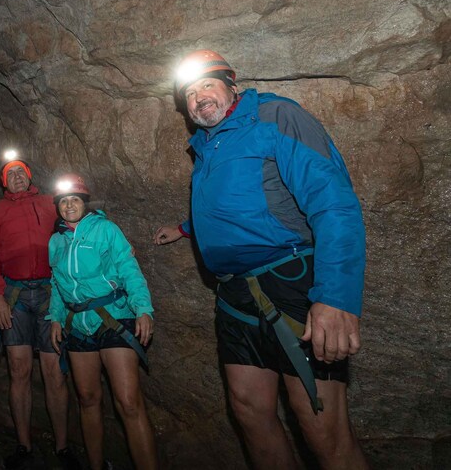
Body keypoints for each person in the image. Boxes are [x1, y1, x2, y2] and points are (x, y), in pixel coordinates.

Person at [154, 50, 368, 469]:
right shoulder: (206, 148)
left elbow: (334, 203)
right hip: (235, 294)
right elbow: (235, 206)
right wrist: (185, 228)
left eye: (207, 85)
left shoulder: (275, 116)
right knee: (250, 413)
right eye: (190, 94)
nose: (199, 98)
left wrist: (338, 298)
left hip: (292, 283)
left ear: (232, 84)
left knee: (322, 430)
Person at [48, 174, 158, 470]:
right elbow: (57, 283)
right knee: (87, 398)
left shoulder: (106, 230)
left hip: (113, 318)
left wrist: (143, 308)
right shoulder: (56, 241)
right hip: (78, 325)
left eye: (74, 200)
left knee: (128, 402)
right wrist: (55, 318)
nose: (69, 205)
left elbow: (129, 269)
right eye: (63, 201)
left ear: (85, 203)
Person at [0, 152, 79, 470]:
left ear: (30, 176)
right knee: (19, 370)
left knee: (54, 372)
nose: (17, 177)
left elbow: (78, 214)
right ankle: (24, 445)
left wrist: (104, 226)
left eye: (21, 172)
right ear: (3, 182)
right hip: (15, 296)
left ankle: (62, 447)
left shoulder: (51, 202)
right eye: (11, 174)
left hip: (51, 293)